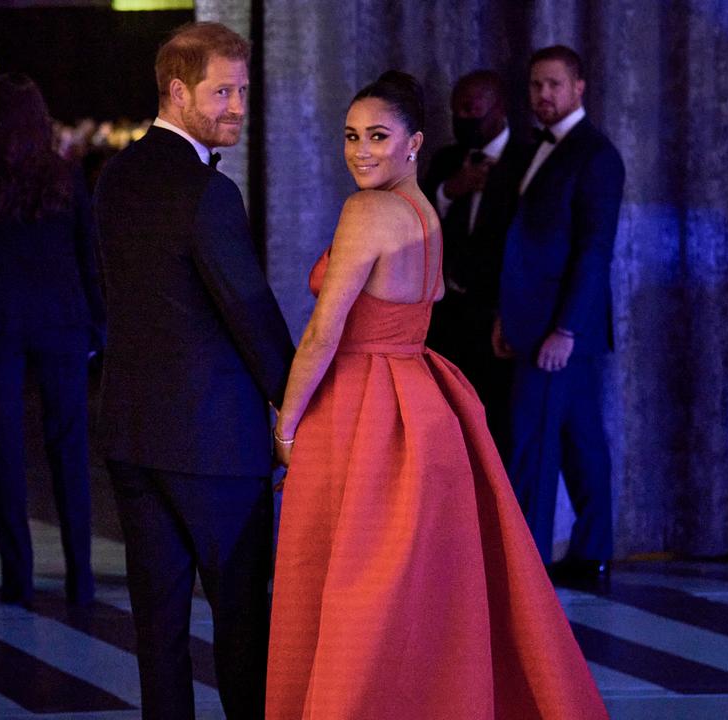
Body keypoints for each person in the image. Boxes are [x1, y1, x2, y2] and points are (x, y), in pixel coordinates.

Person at [266, 70, 607, 719]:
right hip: (424, 402)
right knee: (414, 589)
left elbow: (323, 330)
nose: (361, 150)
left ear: (414, 142)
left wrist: (287, 424)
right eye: (350, 136)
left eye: (378, 136)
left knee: (354, 582)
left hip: (364, 406)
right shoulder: (424, 208)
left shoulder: (366, 210)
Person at [93, 21, 294, 720]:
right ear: (178, 92)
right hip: (214, 446)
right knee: (243, 625)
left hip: (132, 434)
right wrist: (298, 403)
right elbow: (251, 313)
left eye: (242, 89)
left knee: (159, 632)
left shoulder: (114, 175)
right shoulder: (211, 193)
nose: (238, 104)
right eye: (222, 91)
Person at [0, 73, 104, 607]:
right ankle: (80, 575)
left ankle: (18, 579)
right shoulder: (66, 178)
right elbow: (88, 257)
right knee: (69, 449)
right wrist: (98, 324)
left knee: (5, 452)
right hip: (62, 323)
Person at [496, 45, 624, 580]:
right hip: (538, 323)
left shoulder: (595, 154)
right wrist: (510, 315)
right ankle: (591, 551)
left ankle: (528, 566)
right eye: (535, 86)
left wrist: (565, 329)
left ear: (579, 87)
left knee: (535, 444)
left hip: (561, 330)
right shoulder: (537, 149)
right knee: (578, 441)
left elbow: (595, 250)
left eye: (553, 84)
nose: (543, 95)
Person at [421, 69, 532, 453]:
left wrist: (512, 312)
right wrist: (452, 189)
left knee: (498, 430)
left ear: (498, 109)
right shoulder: (447, 160)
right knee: (447, 428)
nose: (462, 121)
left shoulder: (529, 158)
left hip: (498, 319)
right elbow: (416, 220)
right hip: (448, 318)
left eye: (472, 111)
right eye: (456, 113)